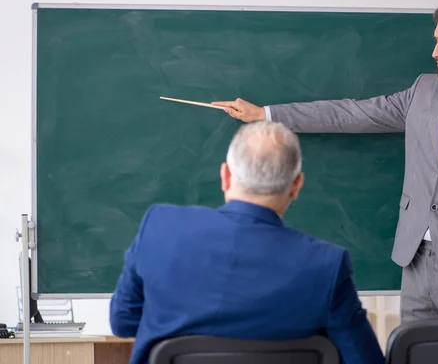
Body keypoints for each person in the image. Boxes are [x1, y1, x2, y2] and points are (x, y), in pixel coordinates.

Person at [211, 0, 438, 322]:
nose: (436, 51)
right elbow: (351, 114)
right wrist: (266, 115)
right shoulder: (424, 90)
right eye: (437, 40)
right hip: (415, 265)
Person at [109, 121, 384, 364]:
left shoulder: (159, 226)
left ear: (225, 176)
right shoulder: (327, 265)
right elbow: (365, 360)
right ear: (296, 185)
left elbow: (123, 323)